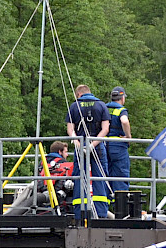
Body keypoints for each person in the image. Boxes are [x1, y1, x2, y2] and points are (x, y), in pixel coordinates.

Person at [65, 84, 111, 219]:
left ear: (78, 94)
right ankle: (101, 213)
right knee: (99, 176)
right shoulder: (101, 105)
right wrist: (93, 144)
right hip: (97, 145)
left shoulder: (74, 106)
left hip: (80, 145)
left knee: (79, 176)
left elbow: (70, 130)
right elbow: (105, 129)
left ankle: (80, 212)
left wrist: (79, 144)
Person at [104, 86, 132, 195]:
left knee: (105, 176)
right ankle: (121, 207)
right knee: (120, 175)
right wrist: (128, 137)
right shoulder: (121, 110)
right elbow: (124, 122)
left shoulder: (104, 108)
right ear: (122, 98)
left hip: (103, 144)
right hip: (118, 146)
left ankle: (105, 206)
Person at [41, 140, 76, 212]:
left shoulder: (41, 163)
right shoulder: (64, 164)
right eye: (66, 152)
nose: (67, 155)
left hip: (41, 195)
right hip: (58, 200)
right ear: (60, 152)